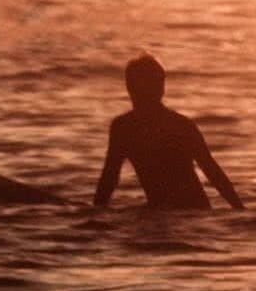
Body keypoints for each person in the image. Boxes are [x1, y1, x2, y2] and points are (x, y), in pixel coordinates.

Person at [93, 53, 244, 210]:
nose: (154, 89)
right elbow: (109, 178)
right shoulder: (124, 128)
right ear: (130, 87)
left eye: (156, 83)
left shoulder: (179, 126)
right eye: (149, 83)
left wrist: (239, 209)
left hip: (191, 211)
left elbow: (212, 171)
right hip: (169, 213)